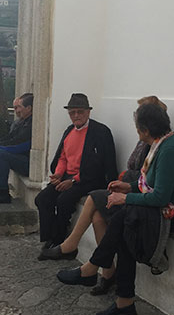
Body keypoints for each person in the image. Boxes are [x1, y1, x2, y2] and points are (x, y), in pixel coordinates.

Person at [57, 102, 174, 315]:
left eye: (138, 128)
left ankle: (93, 269)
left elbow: (160, 197)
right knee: (116, 216)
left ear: (145, 130)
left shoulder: (171, 149)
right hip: (164, 207)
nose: (136, 132)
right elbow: (152, 185)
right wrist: (128, 187)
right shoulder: (161, 144)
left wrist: (126, 197)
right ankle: (122, 301)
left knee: (124, 217)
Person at [38, 96, 167, 295]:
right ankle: (108, 275)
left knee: (96, 204)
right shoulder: (151, 144)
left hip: (142, 203)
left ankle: (76, 252)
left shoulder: (163, 147)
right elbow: (144, 179)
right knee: (93, 213)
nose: (76, 116)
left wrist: (125, 194)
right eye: (72, 112)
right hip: (132, 190)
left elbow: (155, 191)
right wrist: (126, 186)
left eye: (139, 121)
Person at [34, 93, 117, 248]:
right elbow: (63, 157)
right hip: (67, 177)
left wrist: (73, 181)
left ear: (88, 112)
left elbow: (97, 166)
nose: (76, 115)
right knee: (42, 199)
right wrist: (58, 174)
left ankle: (60, 241)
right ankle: (49, 238)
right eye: (72, 112)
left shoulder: (100, 132)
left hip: (89, 179)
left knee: (63, 200)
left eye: (80, 111)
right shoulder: (69, 131)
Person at [0, 93, 33, 205]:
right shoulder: (23, 122)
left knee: (0, 153)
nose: (17, 110)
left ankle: (2, 193)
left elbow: (19, 144)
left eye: (19, 107)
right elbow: (10, 138)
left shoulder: (31, 124)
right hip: (21, 157)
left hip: (28, 162)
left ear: (28, 108)